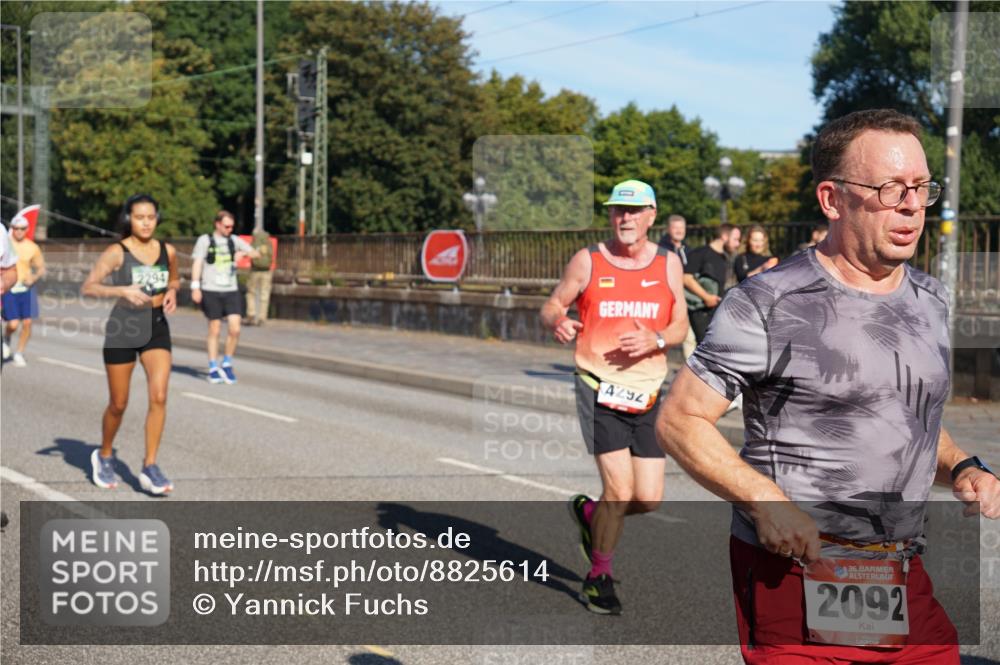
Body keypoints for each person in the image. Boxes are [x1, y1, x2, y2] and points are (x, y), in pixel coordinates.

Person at [656, 109, 999, 664]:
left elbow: (907, 417)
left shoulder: (930, 299)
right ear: (832, 199)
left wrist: (963, 467)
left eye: (921, 187)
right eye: (890, 189)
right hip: (798, 573)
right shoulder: (768, 301)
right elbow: (680, 419)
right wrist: (767, 504)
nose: (912, 205)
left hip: (900, 572)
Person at [540, 179, 688, 615]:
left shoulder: (667, 263)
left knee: (648, 498)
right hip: (598, 386)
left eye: (635, 211)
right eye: (618, 210)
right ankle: (598, 578)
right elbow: (552, 304)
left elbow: (680, 324)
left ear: (651, 215)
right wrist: (557, 321)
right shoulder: (588, 260)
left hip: (648, 392)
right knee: (619, 490)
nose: (625, 218)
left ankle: (592, 516)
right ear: (610, 215)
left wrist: (657, 339)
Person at [81, 194, 179, 495]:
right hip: (123, 327)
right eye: (139, 217)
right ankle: (104, 454)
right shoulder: (117, 252)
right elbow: (89, 287)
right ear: (129, 219)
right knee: (119, 403)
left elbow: (175, 279)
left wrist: (172, 291)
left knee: (159, 396)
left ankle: (150, 466)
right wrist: (121, 291)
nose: (146, 223)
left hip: (156, 325)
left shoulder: (167, 250)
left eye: (151, 217)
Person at [190, 210, 259, 384]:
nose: (229, 229)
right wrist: (195, 287)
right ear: (218, 224)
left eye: (231, 227)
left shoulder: (234, 240)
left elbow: (256, 253)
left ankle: (227, 362)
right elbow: (197, 263)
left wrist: (243, 254)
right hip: (210, 289)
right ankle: (213, 366)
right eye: (226, 226)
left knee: (235, 328)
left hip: (231, 289)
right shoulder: (205, 240)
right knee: (215, 328)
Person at [682, 223, 741, 344]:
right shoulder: (700, 253)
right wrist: (706, 297)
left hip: (716, 311)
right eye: (735, 239)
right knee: (706, 347)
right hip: (700, 312)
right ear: (724, 236)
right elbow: (686, 278)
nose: (738, 244)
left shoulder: (724, 257)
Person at [2, 215, 46, 367]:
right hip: (9, 287)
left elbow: (41, 268)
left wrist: (33, 277)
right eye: (16, 228)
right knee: (13, 324)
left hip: (26, 288)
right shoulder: (5, 243)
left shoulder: (32, 247)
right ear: (12, 228)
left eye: (22, 228)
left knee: (27, 323)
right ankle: (6, 338)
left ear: (27, 229)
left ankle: (19, 352)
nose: (19, 231)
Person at [658, 214, 698, 359]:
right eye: (676, 228)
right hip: (665, 297)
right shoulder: (660, 249)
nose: (679, 231)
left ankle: (690, 368)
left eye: (682, 228)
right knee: (663, 335)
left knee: (689, 337)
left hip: (683, 297)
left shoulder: (688, 250)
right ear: (669, 229)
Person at [245, 228, 274, 326]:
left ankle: (251, 314)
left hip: (255, 271)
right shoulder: (267, 241)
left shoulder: (255, 241)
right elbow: (271, 254)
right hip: (267, 271)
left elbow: (250, 253)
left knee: (251, 293)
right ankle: (262, 317)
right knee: (264, 294)